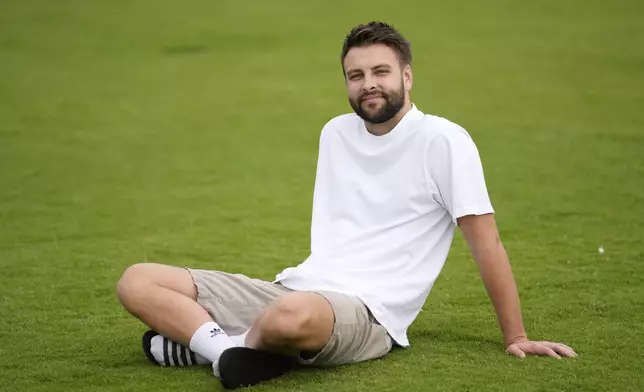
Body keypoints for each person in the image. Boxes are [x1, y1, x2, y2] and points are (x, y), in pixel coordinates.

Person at [116, 21, 577, 390]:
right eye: (356, 76)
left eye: (380, 72)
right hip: (297, 288)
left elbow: (487, 241)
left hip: (369, 312)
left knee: (287, 317)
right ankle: (226, 352)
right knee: (137, 281)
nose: (368, 85)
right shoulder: (335, 132)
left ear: (407, 76)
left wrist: (516, 336)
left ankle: (212, 342)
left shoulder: (444, 141)